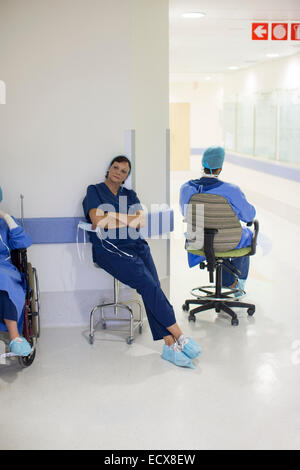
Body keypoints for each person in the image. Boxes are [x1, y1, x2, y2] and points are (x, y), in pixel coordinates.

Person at [83, 155, 202, 369]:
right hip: (109, 248)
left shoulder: (129, 194)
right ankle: (179, 336)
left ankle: (169, 346)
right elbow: (98, 221)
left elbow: (140, 221)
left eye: (123, 171)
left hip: (136, 245)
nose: (118, 172)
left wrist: (113, 216)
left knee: (153, 287)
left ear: (126, 176)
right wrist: (124, 219)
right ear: (109, 168)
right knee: (147, 285)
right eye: (115, 167)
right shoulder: (94, 190)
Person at [179, 146, 256, 295]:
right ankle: (237, 283)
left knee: (215, 239)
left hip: (198, 239)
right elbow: (249, 216)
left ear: (203, 165)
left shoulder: (186, 188)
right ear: (220, 168)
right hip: (228, 241)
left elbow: (186, 214)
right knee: (246, 235)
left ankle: (228, 282)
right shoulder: (231, 190)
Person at [0, 186, 32, 356]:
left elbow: (23, 242)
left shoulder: (6, 222)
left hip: (4, 268)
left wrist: (6, 217)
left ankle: (15, 337)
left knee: (3, 281)